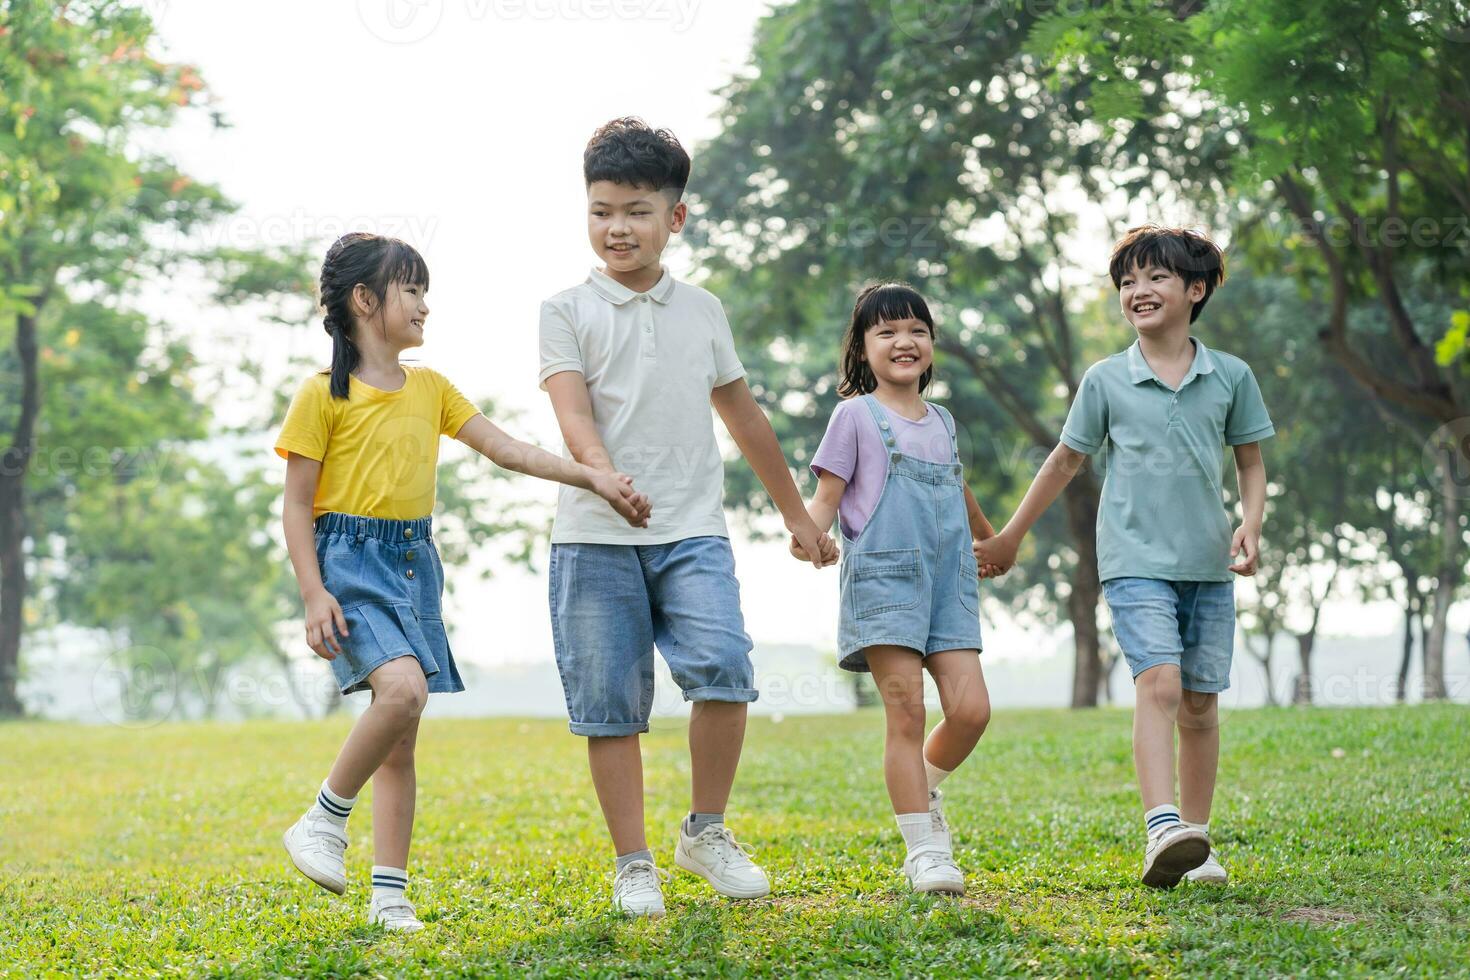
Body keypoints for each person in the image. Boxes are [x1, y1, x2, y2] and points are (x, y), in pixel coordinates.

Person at [277, 232, 649, 931]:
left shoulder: (432, 387)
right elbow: (298, 503)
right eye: (411, 290)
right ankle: (323, 819)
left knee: (403, 731)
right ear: (365, 300)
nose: (424, 305)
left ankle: (391, 894)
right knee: (404, 690)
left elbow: (506, 449)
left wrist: (591, 476)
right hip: (349, 560)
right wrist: (313, 592)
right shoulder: (319, 396)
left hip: (414, 563)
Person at [538, 118, 837, 917]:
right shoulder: (564, 309)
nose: (616, 228)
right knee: (611, 704)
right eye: (601, 210)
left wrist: (799, 515)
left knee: (725, 670)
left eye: (636, 210)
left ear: (675, 216)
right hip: (594, 536)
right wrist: (604, 479)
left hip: (694, 530)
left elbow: (745, 418)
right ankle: (633, 863)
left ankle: (706, 831)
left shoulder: (703, 310)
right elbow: (573, 416)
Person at [978, 225, 1273, 888]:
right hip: (1134, 560)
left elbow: (1250, 462)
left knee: (1200, 703)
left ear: (1195, 290)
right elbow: (1063, 461)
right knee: (1160, 684)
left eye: (1155, 278)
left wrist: (1252, 524)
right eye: (1127, 282)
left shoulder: (1231, 376)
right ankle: (1162, 824)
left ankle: (1194, 840)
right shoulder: (1107, 379)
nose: (1138, 291)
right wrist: (1010, 534)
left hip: (1208, 565)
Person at [796, 281, 997, 895]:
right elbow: (827, 495)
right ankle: (923, 851)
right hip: (884, 584)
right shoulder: (854, 416)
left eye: (915, 330)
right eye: (885, 332)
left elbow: (957, 489)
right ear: (862, 349)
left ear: (932, 345)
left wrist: (989, 538)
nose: (902, 341)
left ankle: (922, 786)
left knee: (970, 711)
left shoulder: (944, 420)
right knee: (906, 712)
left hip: (948, 585)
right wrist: (809, 534)